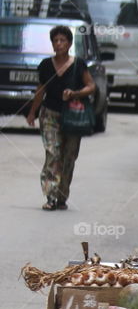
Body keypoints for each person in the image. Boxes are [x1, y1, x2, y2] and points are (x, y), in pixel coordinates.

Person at [27, 24, 96, 210]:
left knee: (69, 156)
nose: (59, 44)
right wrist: (32, 112)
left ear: (70, 43)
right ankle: (50, 196)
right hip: (50, 114)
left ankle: (62, 195)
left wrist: (75, 94)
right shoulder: (46, 66)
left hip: (73, 117)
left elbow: (91, 86)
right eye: (55, 41)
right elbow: (40, 91)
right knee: (53, 154)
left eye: (62, 40)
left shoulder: (79, 64)